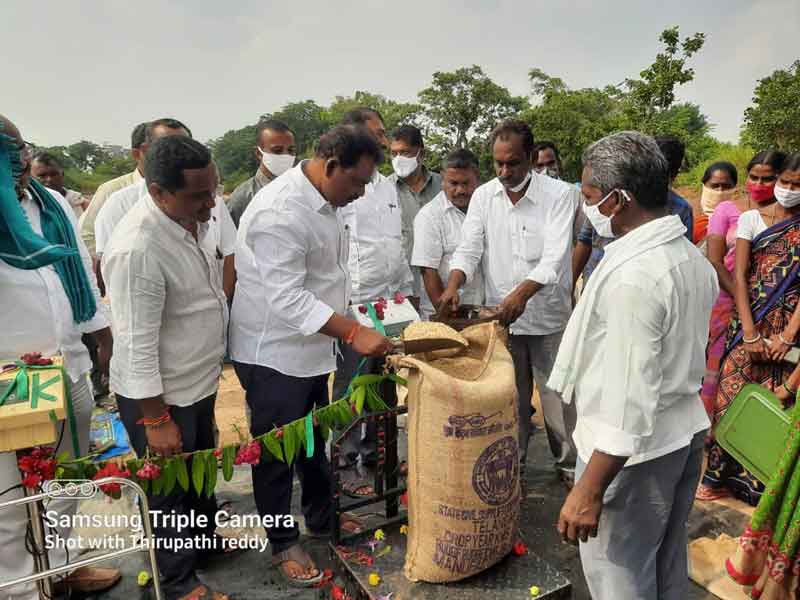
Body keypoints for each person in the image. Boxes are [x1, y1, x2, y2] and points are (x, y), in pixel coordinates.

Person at [550, 131, 718, 600]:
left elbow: (629, 399)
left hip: (630, 456)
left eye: (588, 196)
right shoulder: (689, 259)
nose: (585, 207)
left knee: (618, 576)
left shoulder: (636, 278)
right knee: (663, 561)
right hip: (678, 437)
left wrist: (589, 488)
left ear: (618, 199)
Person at [230, 125, 393, 587]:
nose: (360, 194)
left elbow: (328, 274)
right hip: (274, 354)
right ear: (332, 165)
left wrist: (349, 321)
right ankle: (283, 542)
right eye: (357, 183)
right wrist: (353, 331)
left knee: (312, 444)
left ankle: (322, 519)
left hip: (312, 348)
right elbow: (288, 299)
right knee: (277, 454)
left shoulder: (329, 200)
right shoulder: (280, 211)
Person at [102, 136, 233, 600]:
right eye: (198, 195)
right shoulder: (138, 248)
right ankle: (177, 582)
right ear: (158, 193)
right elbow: (136, 347)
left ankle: (203, 547)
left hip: (197, 381)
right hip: (160, 396)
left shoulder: (192, 221)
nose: (210, 201)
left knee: (198, 474)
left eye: (212, 189)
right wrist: (155, 421)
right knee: (168, 493)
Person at [0, 115, 119, 597]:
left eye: (18, 149)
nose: (18, 162)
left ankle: (63, 564)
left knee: (65, 476)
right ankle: (20, 587)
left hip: (67, 361)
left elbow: (78, 273)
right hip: (9, 377)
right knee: (9, 492)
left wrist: (101, 333)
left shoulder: (49, 203)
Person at [439, 120, 581, 481]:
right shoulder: (485, 196)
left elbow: (554, 258)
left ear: (532, 158)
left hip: (547, 317)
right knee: (508, 401)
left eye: (513, 163)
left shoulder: (561, 195)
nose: (504, 172)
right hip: (502, 320)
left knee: (557, 401)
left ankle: (568, 468)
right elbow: (469, 248)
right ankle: (509, 469)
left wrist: (521, 294)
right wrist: (453, 284)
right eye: (498, 164)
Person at [698, 151, 800, 506]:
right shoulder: (752, 220)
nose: (786, 190)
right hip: (748, 323)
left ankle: (760, 491)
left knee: (774, 405)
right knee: (730, 399)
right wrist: (752, 332)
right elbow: (739, 276)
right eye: (784, 182)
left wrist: (787, 337)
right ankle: (716, 479)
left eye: (794, 185)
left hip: (790, 332)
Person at [331, 108, 414, 496]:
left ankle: (377, 455)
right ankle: (345, 462)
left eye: (383, 134)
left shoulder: (387, 186)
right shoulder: (344, 184)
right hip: (353, 303)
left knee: (382, 385)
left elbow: (394, 243)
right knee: (350, 385)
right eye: (376, 134)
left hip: (388, 301)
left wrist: (404, 290)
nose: (383, 140)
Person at [94, 120, 237, 302]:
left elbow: (229, 254)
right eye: (168, 146)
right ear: (143, 152)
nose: (210, 203)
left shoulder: (208, 197)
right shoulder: (120, 207)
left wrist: (220, 304)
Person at [571, 136, 694, 291]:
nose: (587, 205)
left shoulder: (632, 279)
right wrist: (571, 283)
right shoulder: (600, 203)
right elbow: (585, 240)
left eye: (588, 197)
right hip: (595, 280)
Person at [411, 148, 484, 319]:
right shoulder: (429, 216)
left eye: (466, 183)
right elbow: (428, 270)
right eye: (453, 183)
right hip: (446, 314)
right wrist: (445, 315)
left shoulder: (485, 209)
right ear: (443, 180)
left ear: (477, 179)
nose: (460, 190)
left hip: (481, 310)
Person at [387, 124, 442, 298]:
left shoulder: (445, 186)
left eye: (405, 153)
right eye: (394, 153)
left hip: (441, 280)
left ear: (422, 154)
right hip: (401, 286)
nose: (398, 158)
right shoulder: (383, 190)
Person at [79, 122, 148, 260]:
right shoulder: (112, 190)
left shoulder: (190, 190)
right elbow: (85, 234)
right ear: (137, 153)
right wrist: (106, 263)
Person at [227, 119, 296, 227]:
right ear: (259, 153)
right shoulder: (242, 198)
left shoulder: (301, 189)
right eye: (277, 150)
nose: (285, 155)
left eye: (291, 150)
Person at [30, 152, 88, 217]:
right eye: (42, 176)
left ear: (62, 175)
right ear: (30, 178)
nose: (49, 179)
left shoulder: (82, 205)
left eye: (54, 174)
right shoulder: (27, 206)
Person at [693, 161, 738, 244]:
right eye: (715, 186)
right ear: (704, 186)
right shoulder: (694, 225)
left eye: (726, 186)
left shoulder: (740, 224)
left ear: (734, 188)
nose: (720, 191)